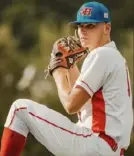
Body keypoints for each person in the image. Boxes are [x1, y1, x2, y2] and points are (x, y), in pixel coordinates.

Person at [0, 1, 133, 156]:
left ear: (106, 28)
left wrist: (58, 72)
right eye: (80, 26)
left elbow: (71, 105)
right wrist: (70, 66)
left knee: (20, 109)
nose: (83, 31)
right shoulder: (114, 57)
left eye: (90, 26)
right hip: (108, 149)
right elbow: (85, 105)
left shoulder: (101, 54)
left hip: (95, 143)